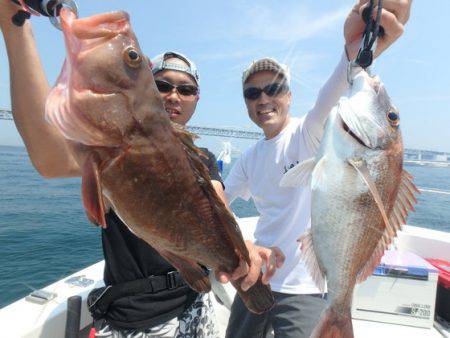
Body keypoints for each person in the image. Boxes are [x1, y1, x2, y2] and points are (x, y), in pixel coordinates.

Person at [0, 2, 284, 337]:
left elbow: (215, 203)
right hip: (130, 319)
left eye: (186, 89)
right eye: (162, 85)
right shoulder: (107, 145)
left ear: (197, 98)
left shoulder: (202, 158)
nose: (174, 96)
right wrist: (14, 26)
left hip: (195, 305)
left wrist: (240, 250)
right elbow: (49, 158)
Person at [224, 1, 412, 337]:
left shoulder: (310, 132)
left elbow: (335, 88)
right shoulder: (248, 157)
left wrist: (355, 48)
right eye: (253, 93)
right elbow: (219, 201)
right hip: (258, 275)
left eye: (274, 88)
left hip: (307, 286)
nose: (264, 98)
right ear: (246, 104)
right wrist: (242, 246)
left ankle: (339, 311)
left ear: (290, 96)